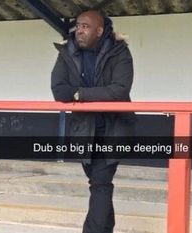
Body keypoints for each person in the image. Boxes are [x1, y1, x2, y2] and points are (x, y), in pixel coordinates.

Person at [51, 10, 135, 233]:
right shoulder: (66, 52)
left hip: (113, 129)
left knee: (100, 183)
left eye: (86, 26)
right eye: (78, 25)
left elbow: (119, 91)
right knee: (98, 185)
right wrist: (91, 93)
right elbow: (59, 90)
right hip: (83, 131)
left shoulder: (120, 52)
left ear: (99, 31)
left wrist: (79, 94)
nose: (79, 30)